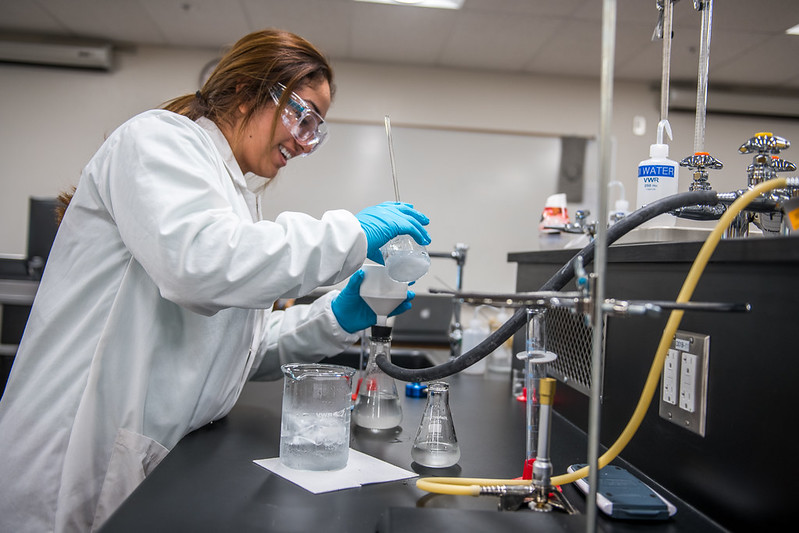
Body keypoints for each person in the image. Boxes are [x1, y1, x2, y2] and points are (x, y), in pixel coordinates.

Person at [0, 29, 430, 533]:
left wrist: (334, 316)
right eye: (303, 116)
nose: (306, 142)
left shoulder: (237, 197)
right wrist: (354, 233)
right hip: (75, 455)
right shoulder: (157, 140)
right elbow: (200, 267)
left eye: (318, 128)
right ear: (248, 91)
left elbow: (235, 353)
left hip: (156, 461)